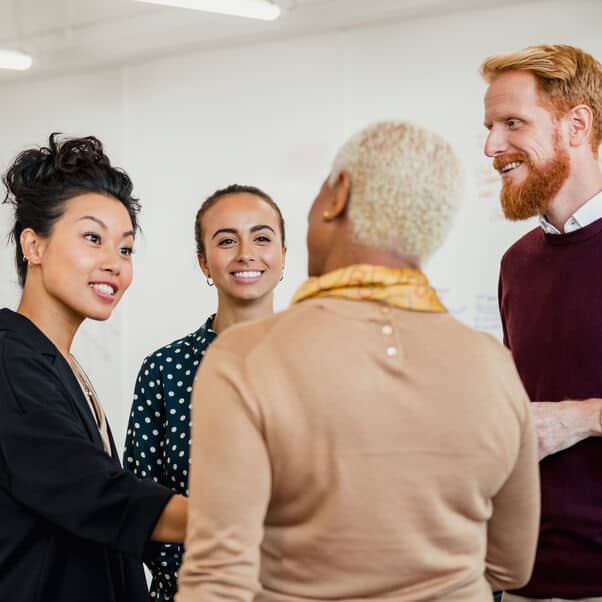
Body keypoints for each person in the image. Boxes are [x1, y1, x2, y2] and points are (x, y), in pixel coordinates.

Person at [175, 121, 540, 602]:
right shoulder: (492, 365)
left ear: (337, 193)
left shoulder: (245, 358)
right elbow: (511, 565)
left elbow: (218, 580)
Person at [0, 134, 187, 602]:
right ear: (34, 245)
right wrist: (251, 519)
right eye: (92, 238)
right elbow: (96, 495)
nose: (114, 264)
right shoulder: (9, 362)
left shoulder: (58, 362)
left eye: (125, 249)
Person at [124, 184, 287, 601]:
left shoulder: (323, 361)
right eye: (227, 240)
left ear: (283, 257)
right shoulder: (164, 371)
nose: (246, 253)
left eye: (262, 237)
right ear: (204, 262)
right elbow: (138, 504)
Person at [481, 44, 602, 601]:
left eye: (512, 123)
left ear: (576, 125)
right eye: (489, 126)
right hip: (521, 577)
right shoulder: (516, 264)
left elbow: (562, 418)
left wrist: (582, 417)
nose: (491, 146)